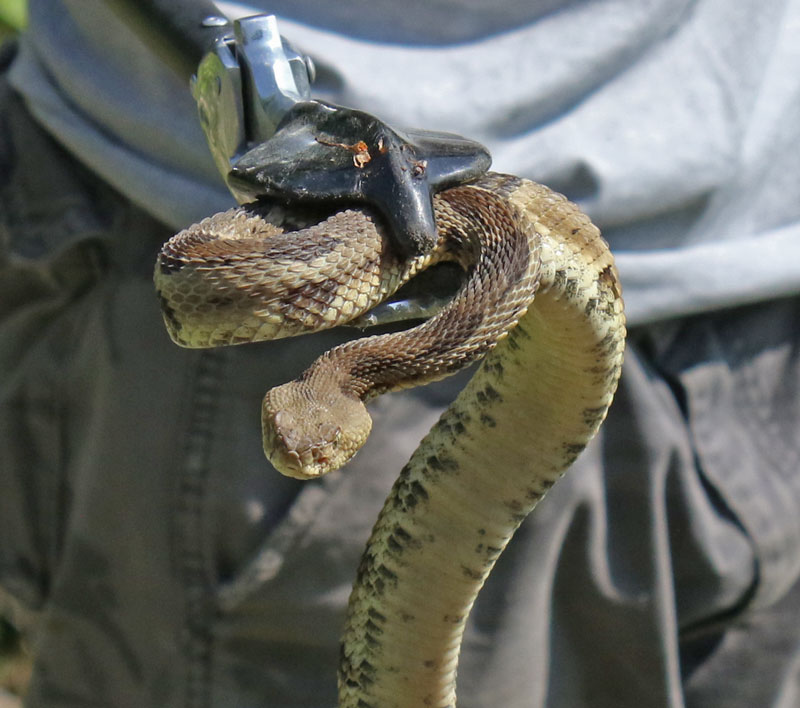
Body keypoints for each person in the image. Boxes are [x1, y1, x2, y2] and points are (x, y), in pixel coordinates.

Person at [1, 1, 800, 706]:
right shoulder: (359, 363)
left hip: (760, 272)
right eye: (300, 446)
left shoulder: (382, 359)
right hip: (168, 181)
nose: (300, 453)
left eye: (302, 444)